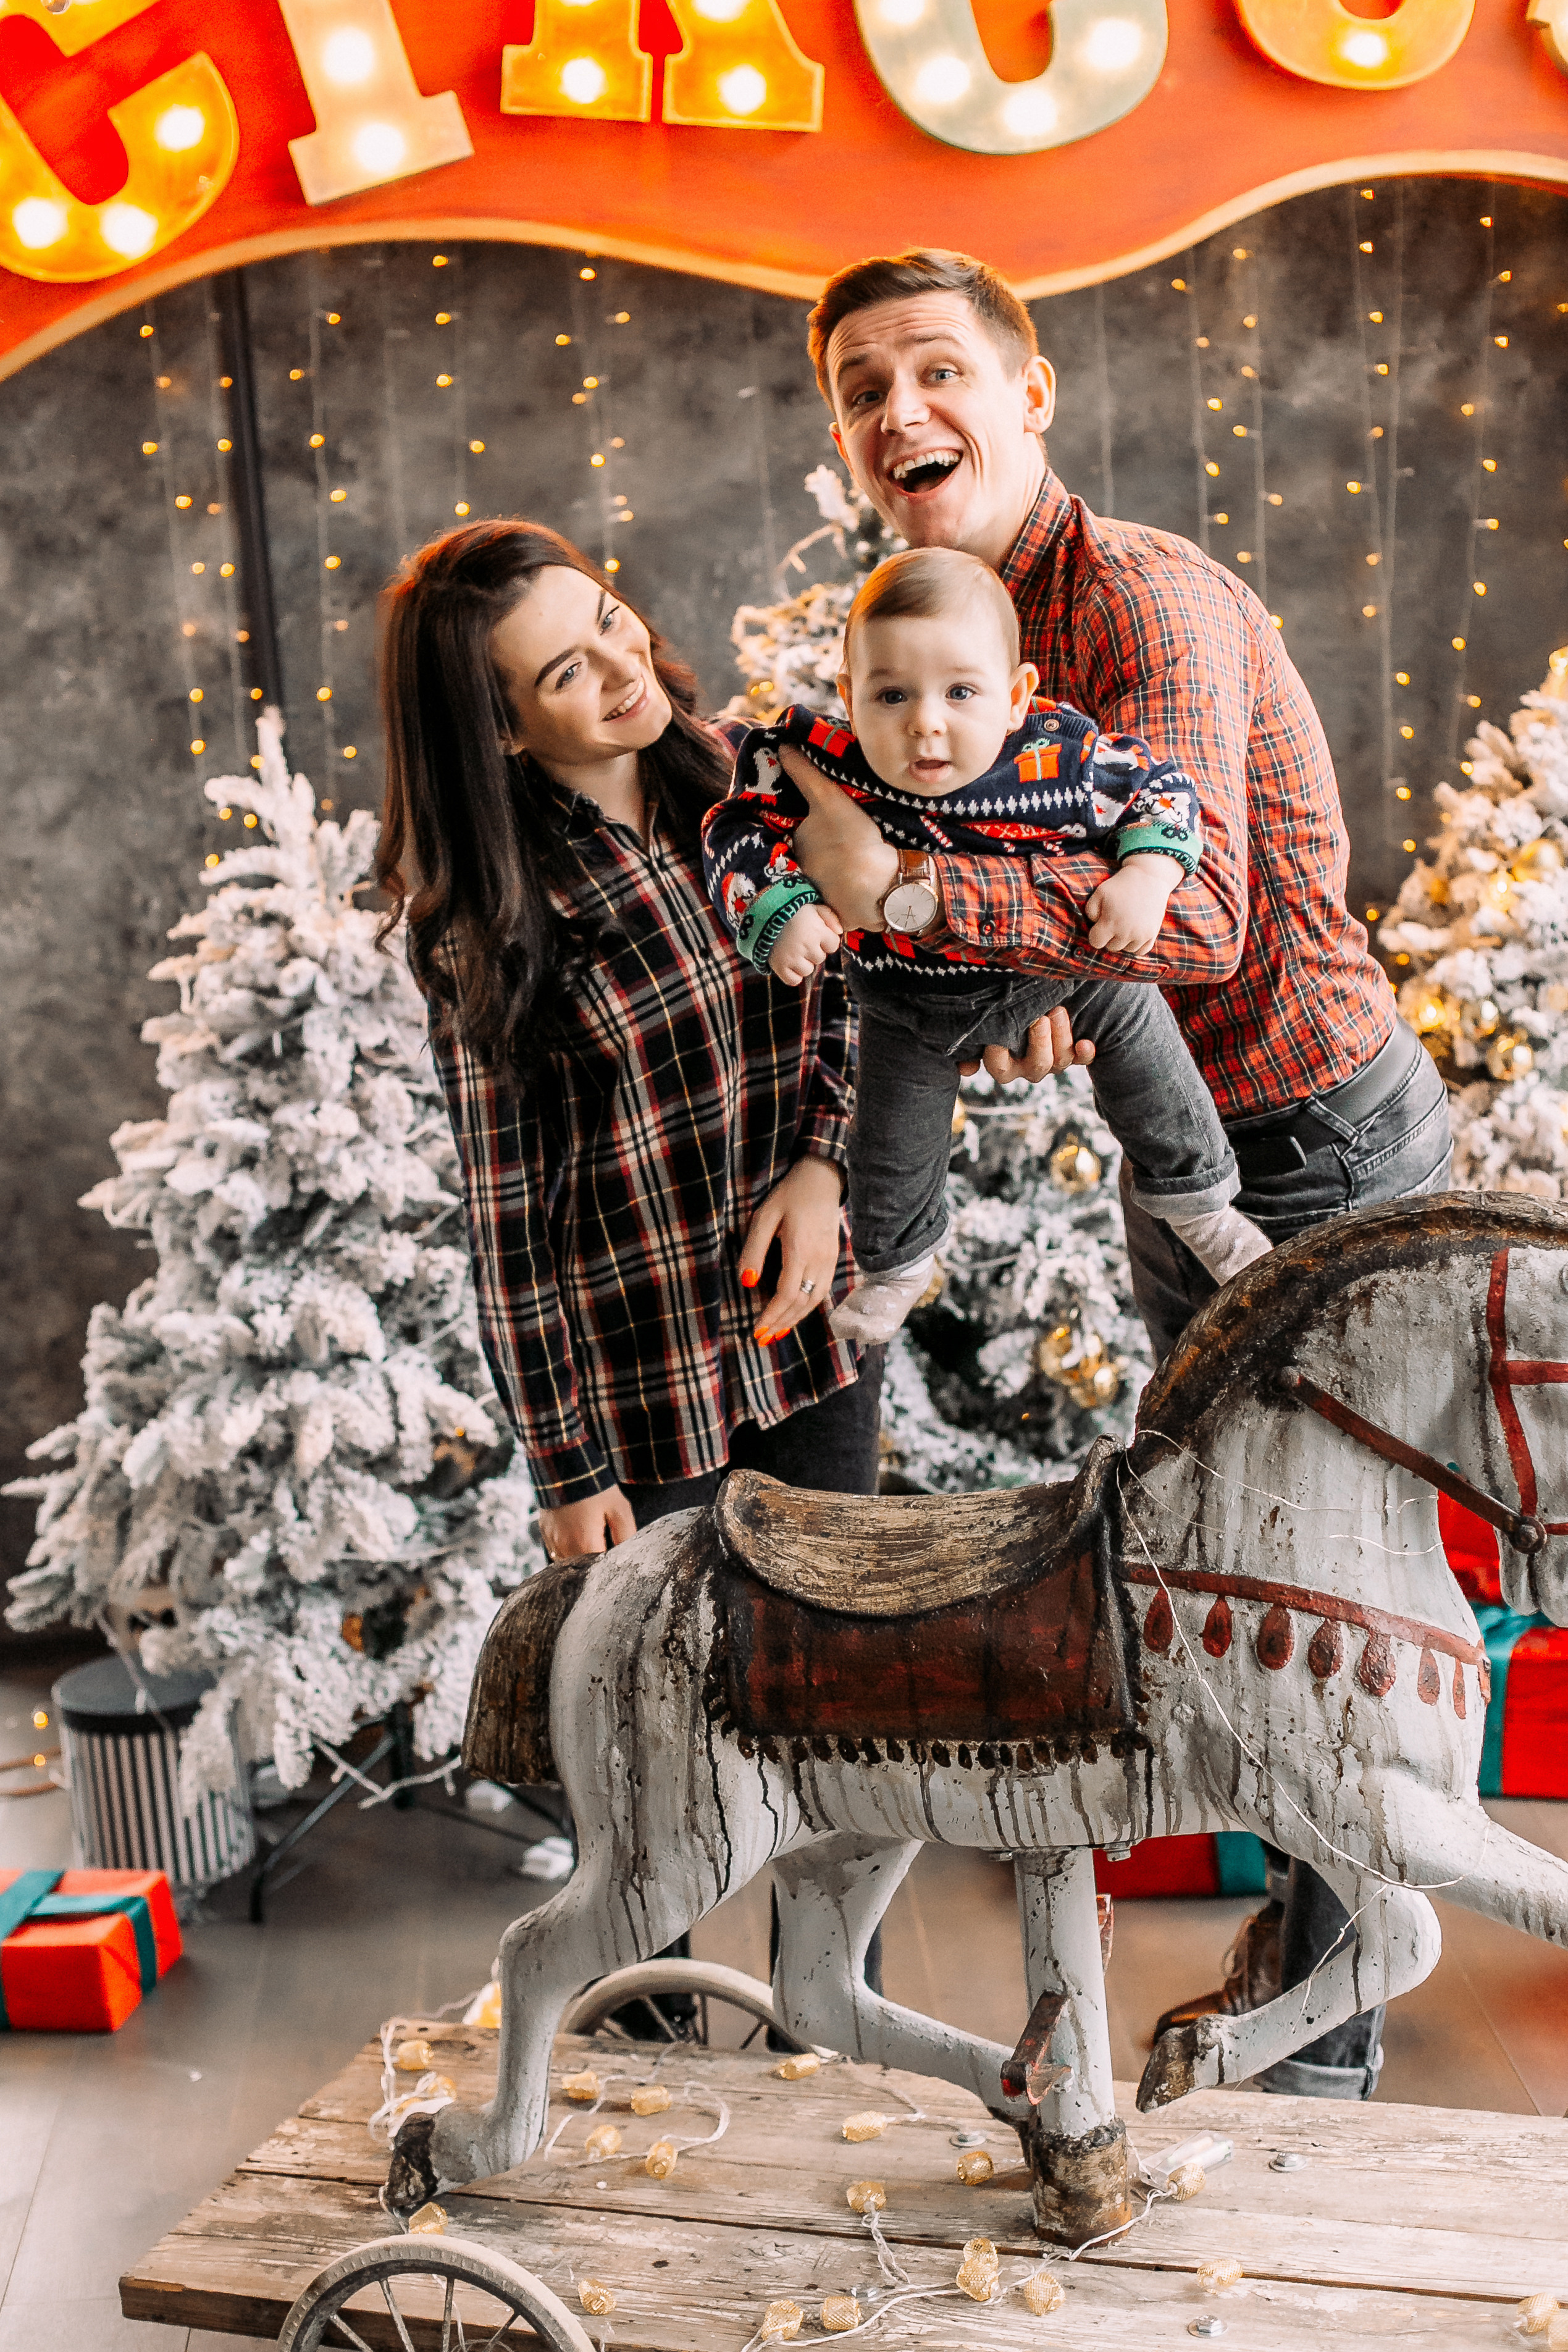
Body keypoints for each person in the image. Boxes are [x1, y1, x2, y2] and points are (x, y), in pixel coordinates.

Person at [780, 248, 1453, 2102]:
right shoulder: (937, 641)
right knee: (1253, 1562)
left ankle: (1318, 2058)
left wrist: (916, 905)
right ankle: (1308, 1975)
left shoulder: (1136, 606)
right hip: (1189, 1162)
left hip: (1311, 1147)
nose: (898, 412)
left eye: (936, 370)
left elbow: (1201, 920)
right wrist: (968, 956)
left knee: (1314, 1591)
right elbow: (984, 916)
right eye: (859, 387)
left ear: (1029, 393)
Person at [375, 519, 884, 1559]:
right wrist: (565, 1469)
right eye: (569, 671)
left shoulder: (762, 779)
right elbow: (508, 1225)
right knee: (679, 1697)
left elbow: (860, 990)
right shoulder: (493, 923)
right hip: (650, 1395)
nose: (623, 669)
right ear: (503, 729)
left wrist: (826, 1167)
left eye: (613, 623)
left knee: (845, 1652)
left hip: (815, 1330)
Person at [704, 544, 1268, 1344]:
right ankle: (895, 1266)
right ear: (847, 696)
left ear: (1015, 698)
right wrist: (782, 905)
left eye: (960, 692)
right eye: (891, 694)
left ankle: (1204, 1203)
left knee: (1149, 1056)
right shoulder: (821, 764)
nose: (925, 722)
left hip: (1060, 977)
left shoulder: (1055, 759)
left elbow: (1162, 788)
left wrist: (1145, 874)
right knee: (890, 1147)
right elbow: (737, 826)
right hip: (907, 1001)